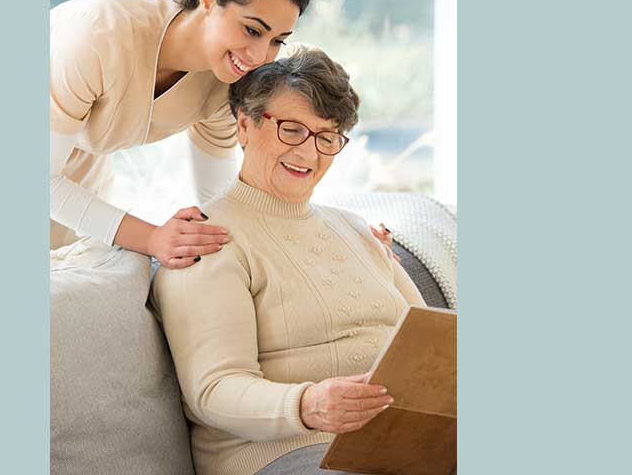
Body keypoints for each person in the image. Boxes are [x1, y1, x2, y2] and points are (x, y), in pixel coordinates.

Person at [151, 46, 427, 475]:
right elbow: (214, 390)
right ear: (244, 125)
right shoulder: (207, 238)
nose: (309, 153)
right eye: (292, 130)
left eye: (326, 137)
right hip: (289, 454)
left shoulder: (356, 229)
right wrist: (308, 405)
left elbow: (430, 344)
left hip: (402, 442)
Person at [49, 0, 310, 270]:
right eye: (251, 30)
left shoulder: (224, 84)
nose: (260, 56)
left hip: (76, 184)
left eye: (277, 41)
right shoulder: (98, 37)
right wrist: (152, 238)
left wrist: (320, 241)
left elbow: (218, 201)